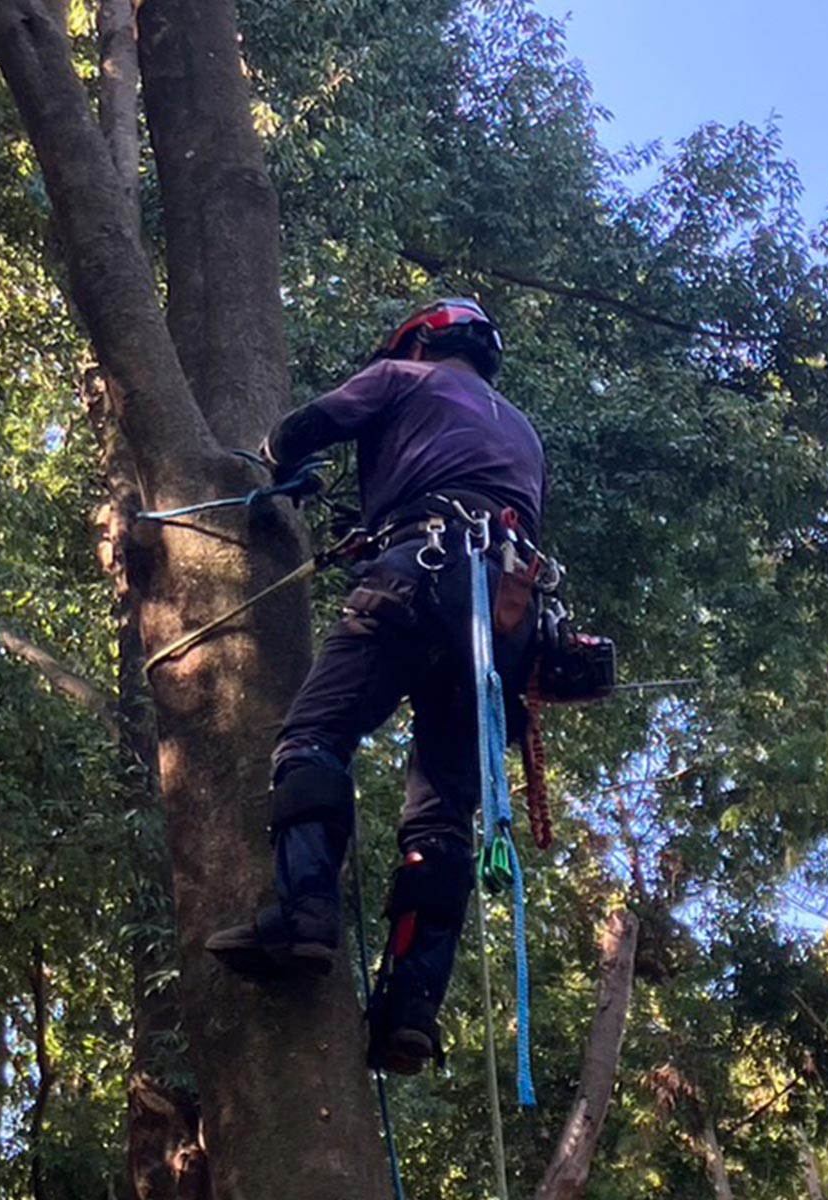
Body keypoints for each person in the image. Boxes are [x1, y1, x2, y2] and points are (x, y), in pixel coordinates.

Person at [205, 298, 549, 1075]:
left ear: (422, 343)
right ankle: (410, 1013)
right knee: (443, 816)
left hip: (417, 575)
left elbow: (299, 433)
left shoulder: (400, 378)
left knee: (313, 737)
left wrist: (285, 469)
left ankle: (304, 918)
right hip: (503, 619)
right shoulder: (525, 432)